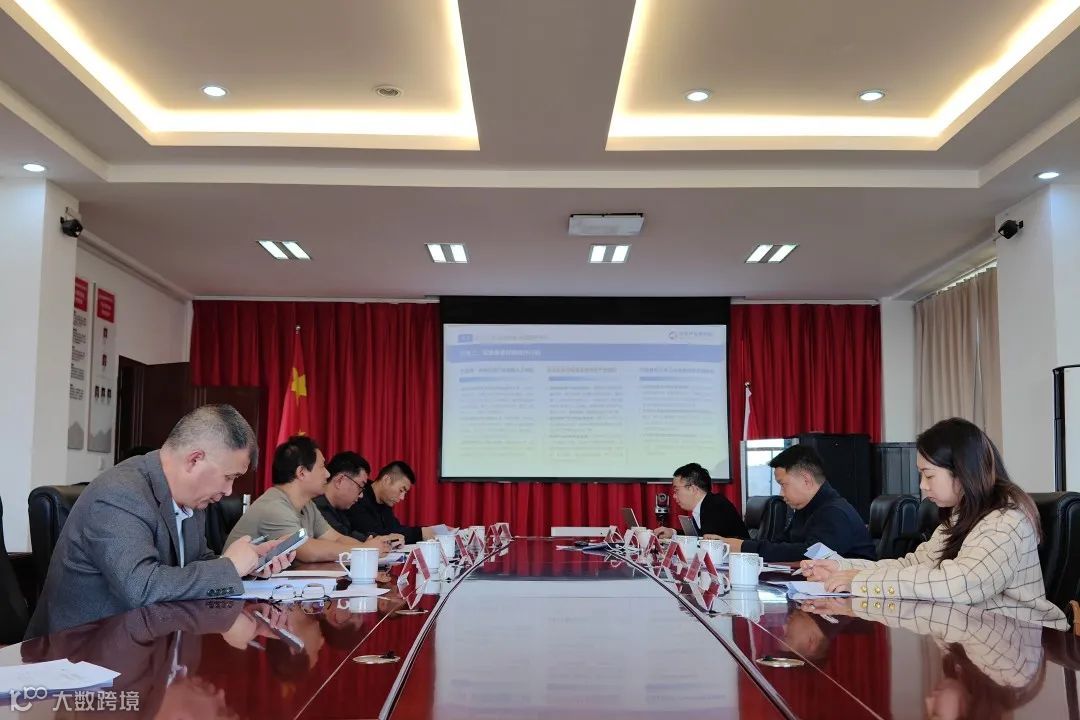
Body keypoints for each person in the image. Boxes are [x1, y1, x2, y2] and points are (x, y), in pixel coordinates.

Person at [26, 404, 294, 639]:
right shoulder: (120, 493)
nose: (228, 491)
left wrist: (250, 565)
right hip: (84, 655)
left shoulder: (191, 499)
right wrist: (230, 567)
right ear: (195, 459)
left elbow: (196, 563)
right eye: (229, 477)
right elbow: (142, 587)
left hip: (153, 645)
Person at [801, 418, 1066, 626]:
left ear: (963, 472)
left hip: (1025, 643)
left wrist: (860, 580)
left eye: (929, 475)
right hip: (974, 637)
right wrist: (841, 567)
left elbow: (958, 585)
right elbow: (914, 565)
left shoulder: (1005, 522)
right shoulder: (962, 515)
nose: (922, 486)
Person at [225, 436, 393, 560]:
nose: (327, 474)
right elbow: (305, 550)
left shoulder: (307, 505)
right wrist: (365, 551)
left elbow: (335, 538)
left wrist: (368, 547)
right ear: (302, 473)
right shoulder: (273, 506)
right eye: (322, 467)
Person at [708, 444, 875, 561]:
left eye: (783, 485)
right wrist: (734, 543)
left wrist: (744, 547)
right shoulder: (807, 507)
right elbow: (781, 544)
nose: (781, 493)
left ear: (806, 480)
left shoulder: (834, 512)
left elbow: (808, 554)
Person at [314, 451, 403, 548]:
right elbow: (340, 539)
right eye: (360, 487)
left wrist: (381, 539)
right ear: (340, 481)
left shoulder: (340, 508)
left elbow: (349, 534)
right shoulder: (316, 506)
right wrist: (373, 543)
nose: (361, 496)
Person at [347, 461, 442, 544]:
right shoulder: (357, 496)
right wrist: (420, 533)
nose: (402, 497)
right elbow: (375, 534)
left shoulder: (385, 502)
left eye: (405, 493)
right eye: (401, 490)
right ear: (386, 480)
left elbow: (396, 530)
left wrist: (428, 530)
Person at [654, 463, 748, 540]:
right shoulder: (705, 504)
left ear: (692, 489)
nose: (674, 496)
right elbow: (698, 537)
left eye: (676, 490)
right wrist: (673, 533)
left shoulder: (716, 506)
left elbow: (706, 542)